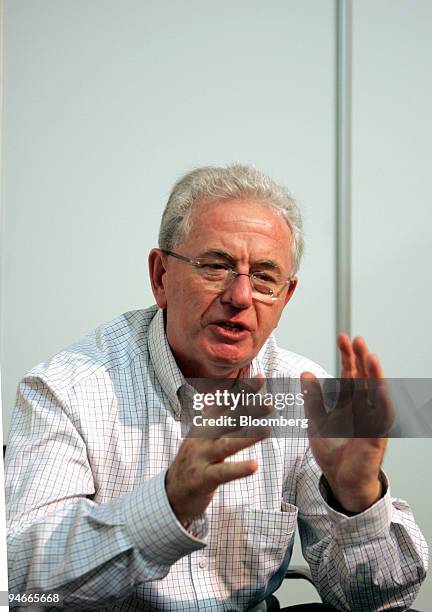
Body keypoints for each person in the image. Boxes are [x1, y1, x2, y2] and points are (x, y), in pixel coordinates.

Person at [5, 165, 428, 611]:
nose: (241, 296)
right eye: (216, 266)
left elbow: (380, 602)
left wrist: (356, 497)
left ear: (285, 297)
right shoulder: (68, 389)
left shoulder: (301, 395)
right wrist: (165, 506)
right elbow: (16, 582)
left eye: (265, 277)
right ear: (161, 277)